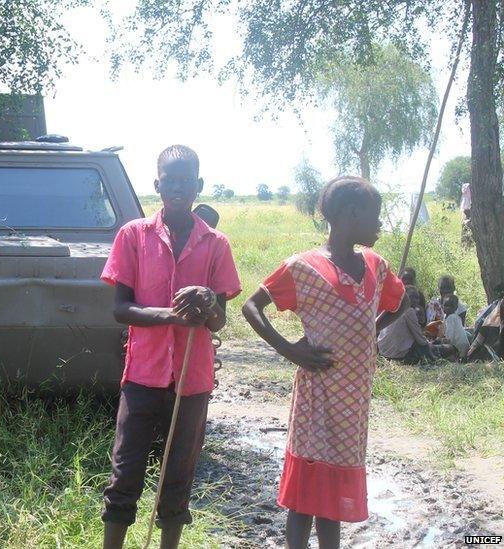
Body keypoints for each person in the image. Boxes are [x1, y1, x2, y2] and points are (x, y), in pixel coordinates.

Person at [241, 176, 406, 549]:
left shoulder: (376, 266)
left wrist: (371, 334)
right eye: (374, 215)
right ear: (350, 214)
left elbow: (402, 302)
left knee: (332, 499)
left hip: (353, 406)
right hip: (317, 399)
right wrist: (289, 349)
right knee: (304, 496)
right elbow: (252, 307)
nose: (380, 224)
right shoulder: (304, 268)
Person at [100, 145, 241, 549]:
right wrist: (173, 316)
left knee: (178, 475)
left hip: (192, 382)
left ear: (198, 185)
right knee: (126, 471)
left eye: (186, 180)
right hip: (142, 376)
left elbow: (219, 321)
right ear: (157, 184)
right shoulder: (133, 235)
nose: (178, 187)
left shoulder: (216, 243)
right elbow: (121, 309)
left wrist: (209, 301)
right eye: (170, 180)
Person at [440, 294, 470, 360]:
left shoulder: (451, 317)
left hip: (459, 346)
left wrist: (446, 341)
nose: (448, 308)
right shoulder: (455, 317)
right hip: (464, 345)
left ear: (456, 308)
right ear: (442, 306)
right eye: (446, 305)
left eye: (451, 306)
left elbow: (450, 333)